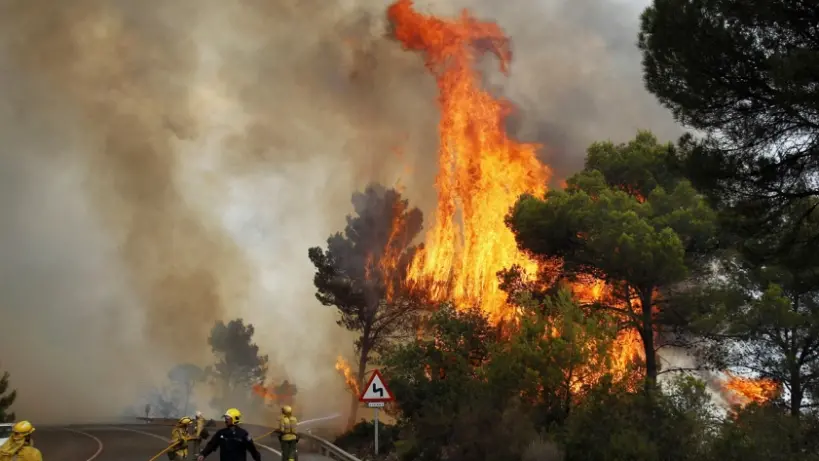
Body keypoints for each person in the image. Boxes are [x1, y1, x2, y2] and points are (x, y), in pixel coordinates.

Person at [196, 408, 261, 461]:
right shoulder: (221, 433)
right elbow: (211, 445)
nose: (225, 420)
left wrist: (257, 458)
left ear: (234, 419)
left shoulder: (243, 434)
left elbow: (252, 449)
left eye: (227, 418)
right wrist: (203, 454)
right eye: (225, 418)